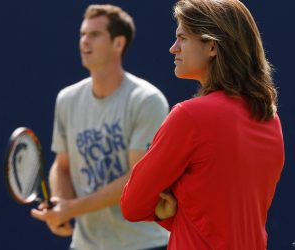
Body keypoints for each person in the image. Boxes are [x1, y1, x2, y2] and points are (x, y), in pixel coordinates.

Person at [121, 0, 285, 249]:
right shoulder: (270, 118)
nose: (173, 48)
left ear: (211, 46)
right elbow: (224, 216)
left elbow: (132, 205)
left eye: (183, 38)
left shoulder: (189, 116)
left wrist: (170, 210)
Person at [31, 4, 170, 250]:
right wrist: (60, 206)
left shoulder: (147, 100)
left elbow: (138, 179)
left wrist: (73, 208)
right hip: (86, 244)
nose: (85, 41)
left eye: (95, 35)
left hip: (145, 244)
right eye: (82, 34)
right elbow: (62, 165)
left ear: (118, 43)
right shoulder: (67, 99)